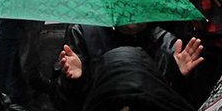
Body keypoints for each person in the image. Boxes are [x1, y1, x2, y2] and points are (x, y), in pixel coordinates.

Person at [51, 23, 202, 111]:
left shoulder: (166, 42)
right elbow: (62, 104)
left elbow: (182, 103)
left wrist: (178, 77)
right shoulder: (83, 33)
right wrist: (73, 82)